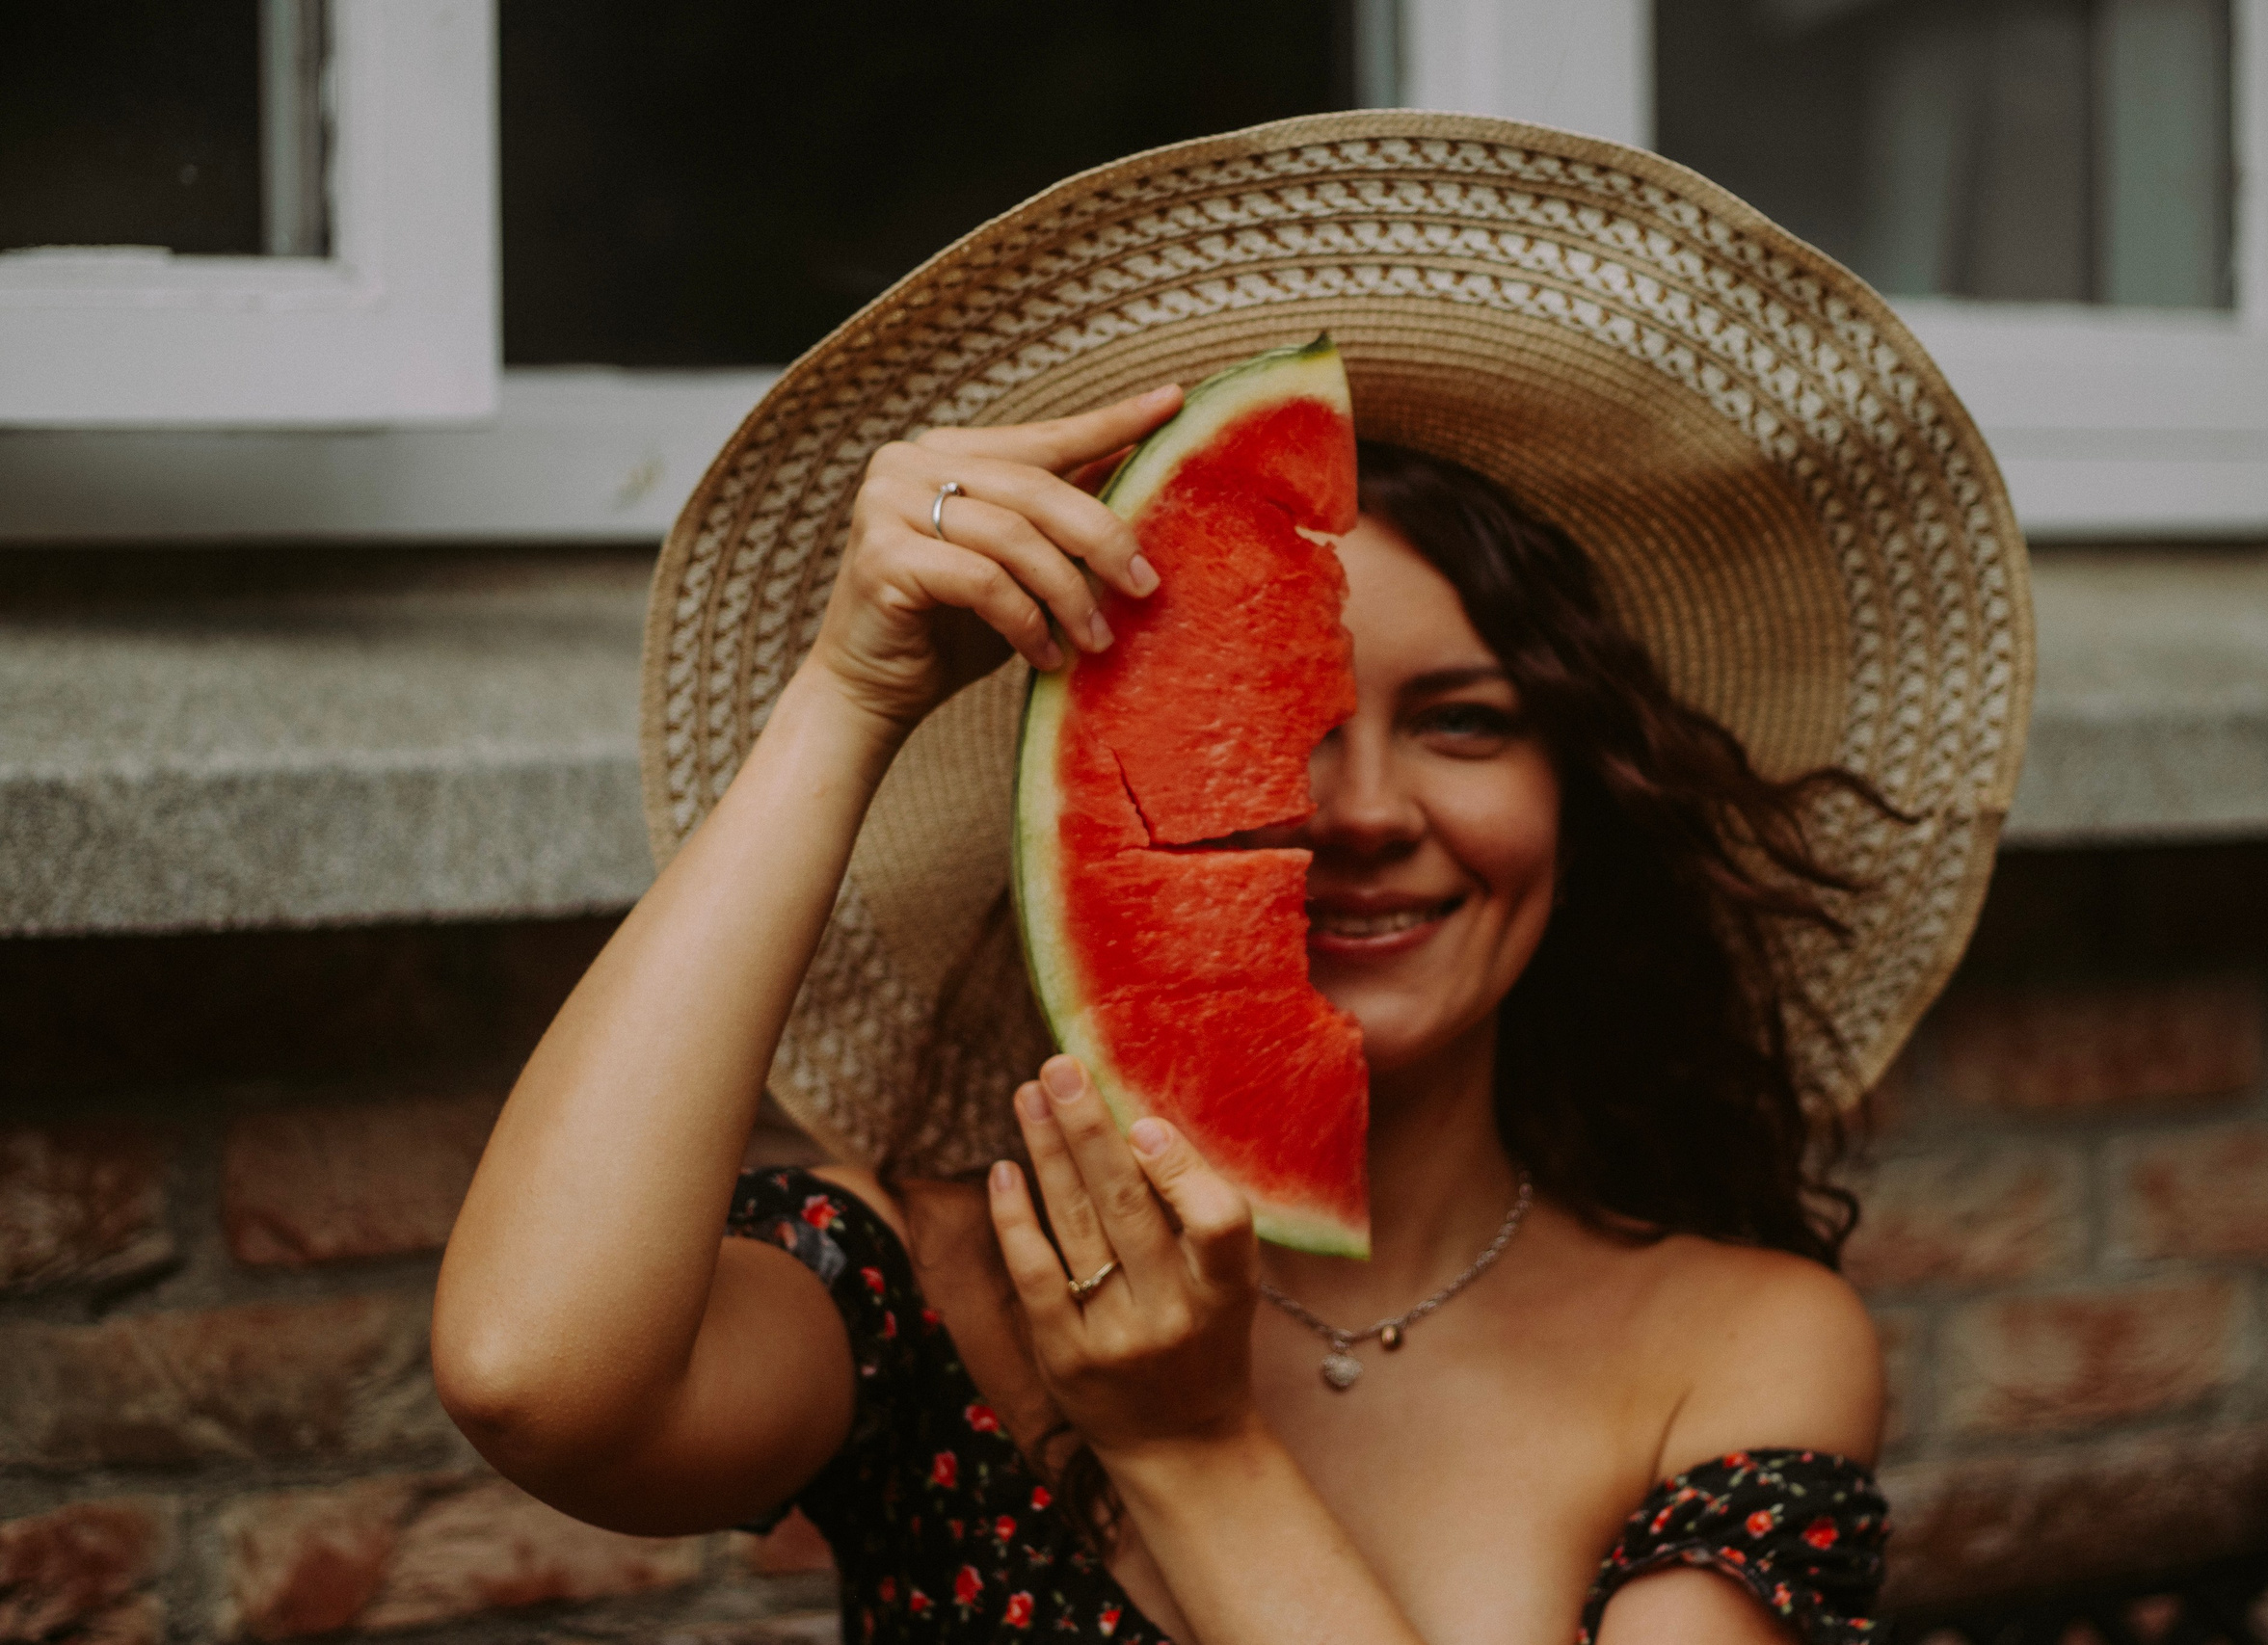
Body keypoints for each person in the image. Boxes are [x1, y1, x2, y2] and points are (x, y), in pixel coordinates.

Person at [432, 111, 2032, 1645]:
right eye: (1263, 733)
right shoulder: (946, 1283)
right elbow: (528, 1377)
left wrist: (1190, 1449)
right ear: (1099, 812)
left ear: (1585, 802)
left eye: (1467, 723)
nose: (1364, 812)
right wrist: (850, 696)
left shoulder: (1740, 1344)